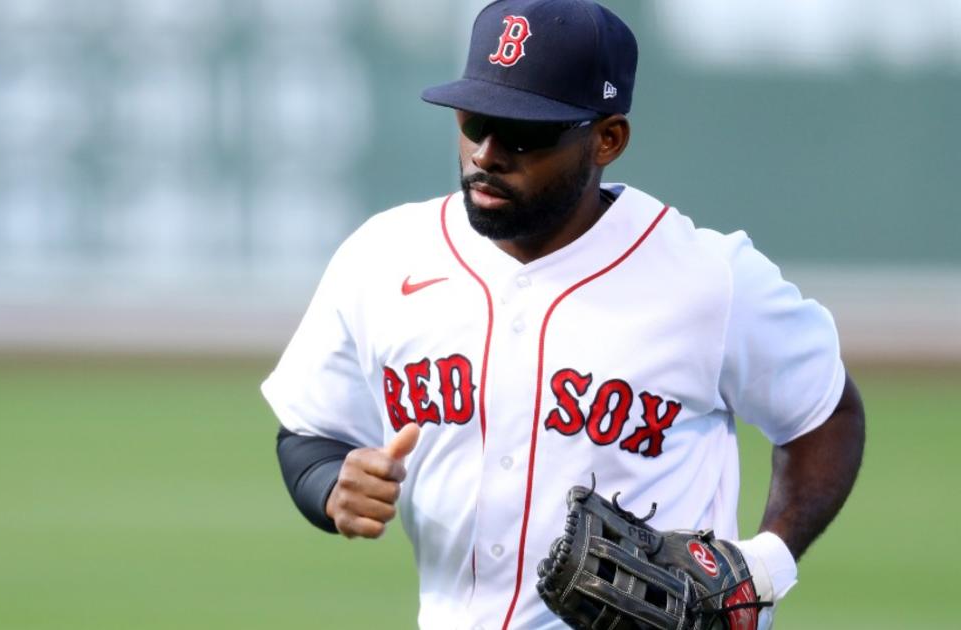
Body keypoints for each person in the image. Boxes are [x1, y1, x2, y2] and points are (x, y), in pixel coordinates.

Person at [261, 0, 865, 628]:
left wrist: (767, 563)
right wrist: (332, 484)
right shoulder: (384, 256)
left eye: (525, 131)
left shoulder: (709, 279)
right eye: (474, 120)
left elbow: (827, 411)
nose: (487, 153)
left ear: (608, 138)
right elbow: (309, 432)